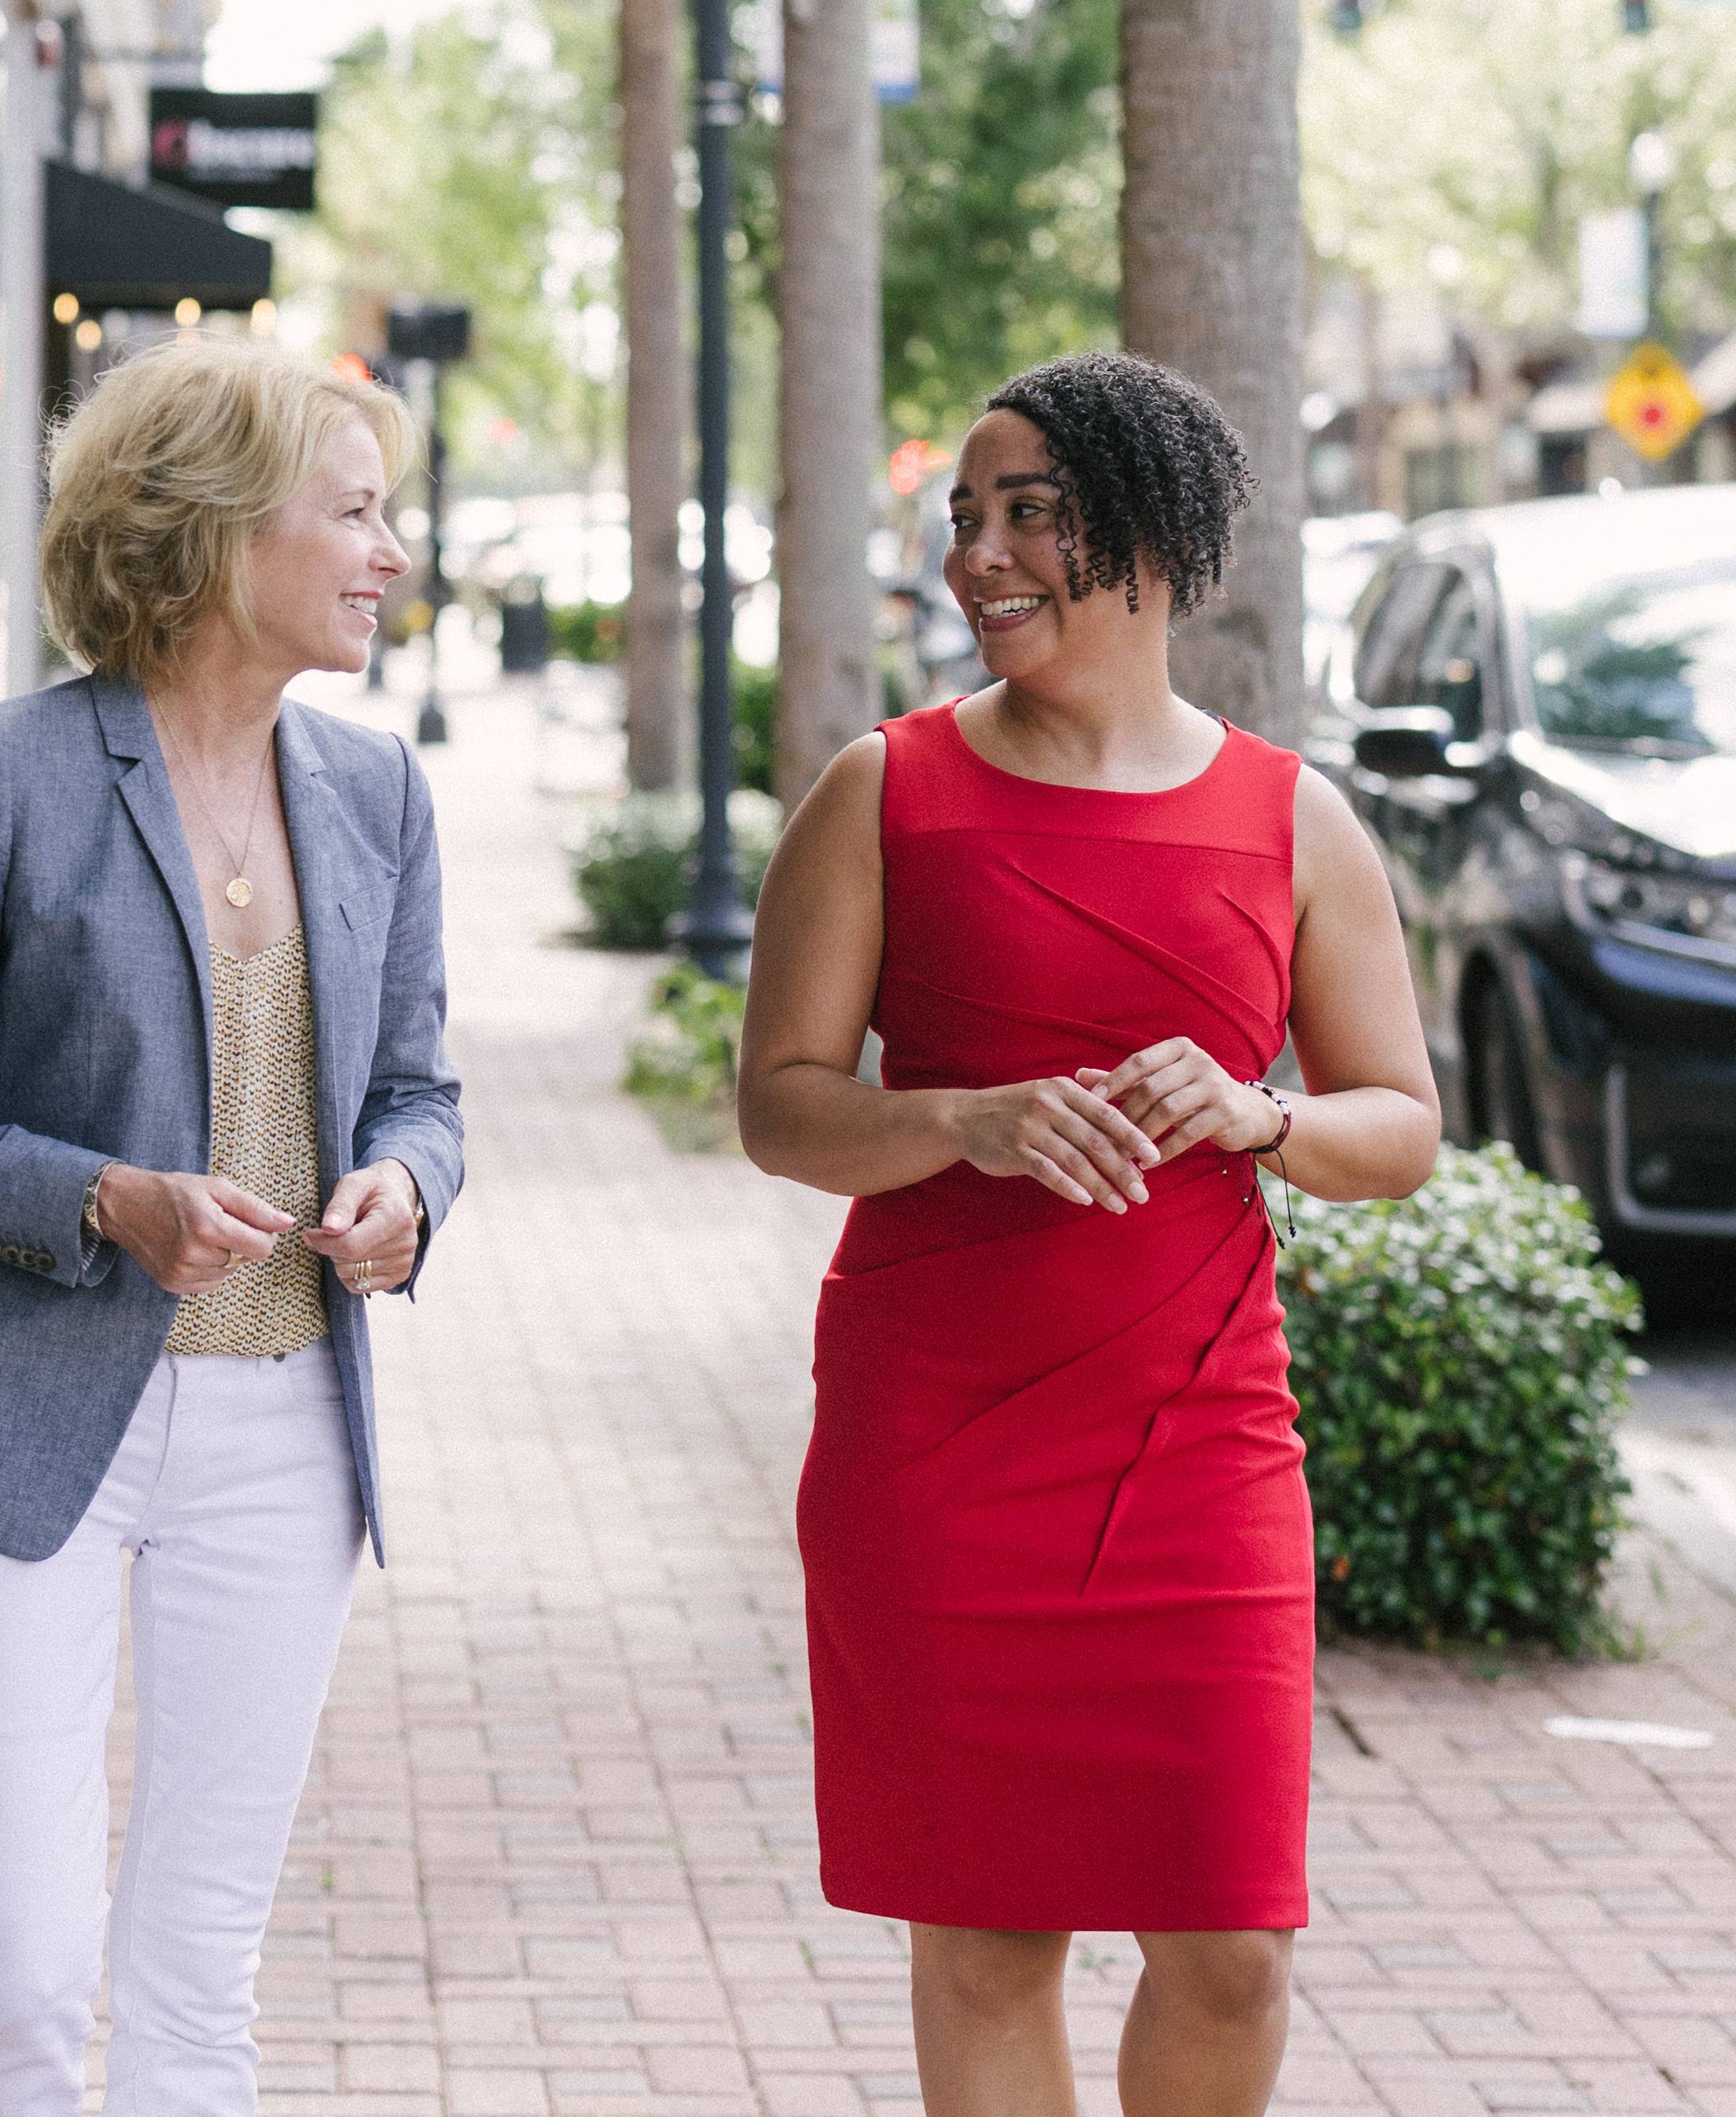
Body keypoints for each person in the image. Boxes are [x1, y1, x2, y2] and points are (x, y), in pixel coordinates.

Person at [737, 352, 1440, 2117]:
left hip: (1198, 1442)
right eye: (963, 517)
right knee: (984, 1940)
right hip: (939, 1441)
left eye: (1026, 512)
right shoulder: (879, 790)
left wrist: (1265, 1116)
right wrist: (957, 1120)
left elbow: (1399, 1125)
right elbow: (780, 1102)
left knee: (1230, 1947)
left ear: (1139, 534)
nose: (979, 553)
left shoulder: (1293, 817)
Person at [0, 335, 463, 2117]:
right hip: (20, 1426)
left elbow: (419, 1085)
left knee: (197, 1978)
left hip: (281, 1438)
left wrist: (407, 1187)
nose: (389, 550)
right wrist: (102, 1196)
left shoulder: (375, 793)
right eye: (352, 511)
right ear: (213, 530)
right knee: (22, 1967)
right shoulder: (2, 772)